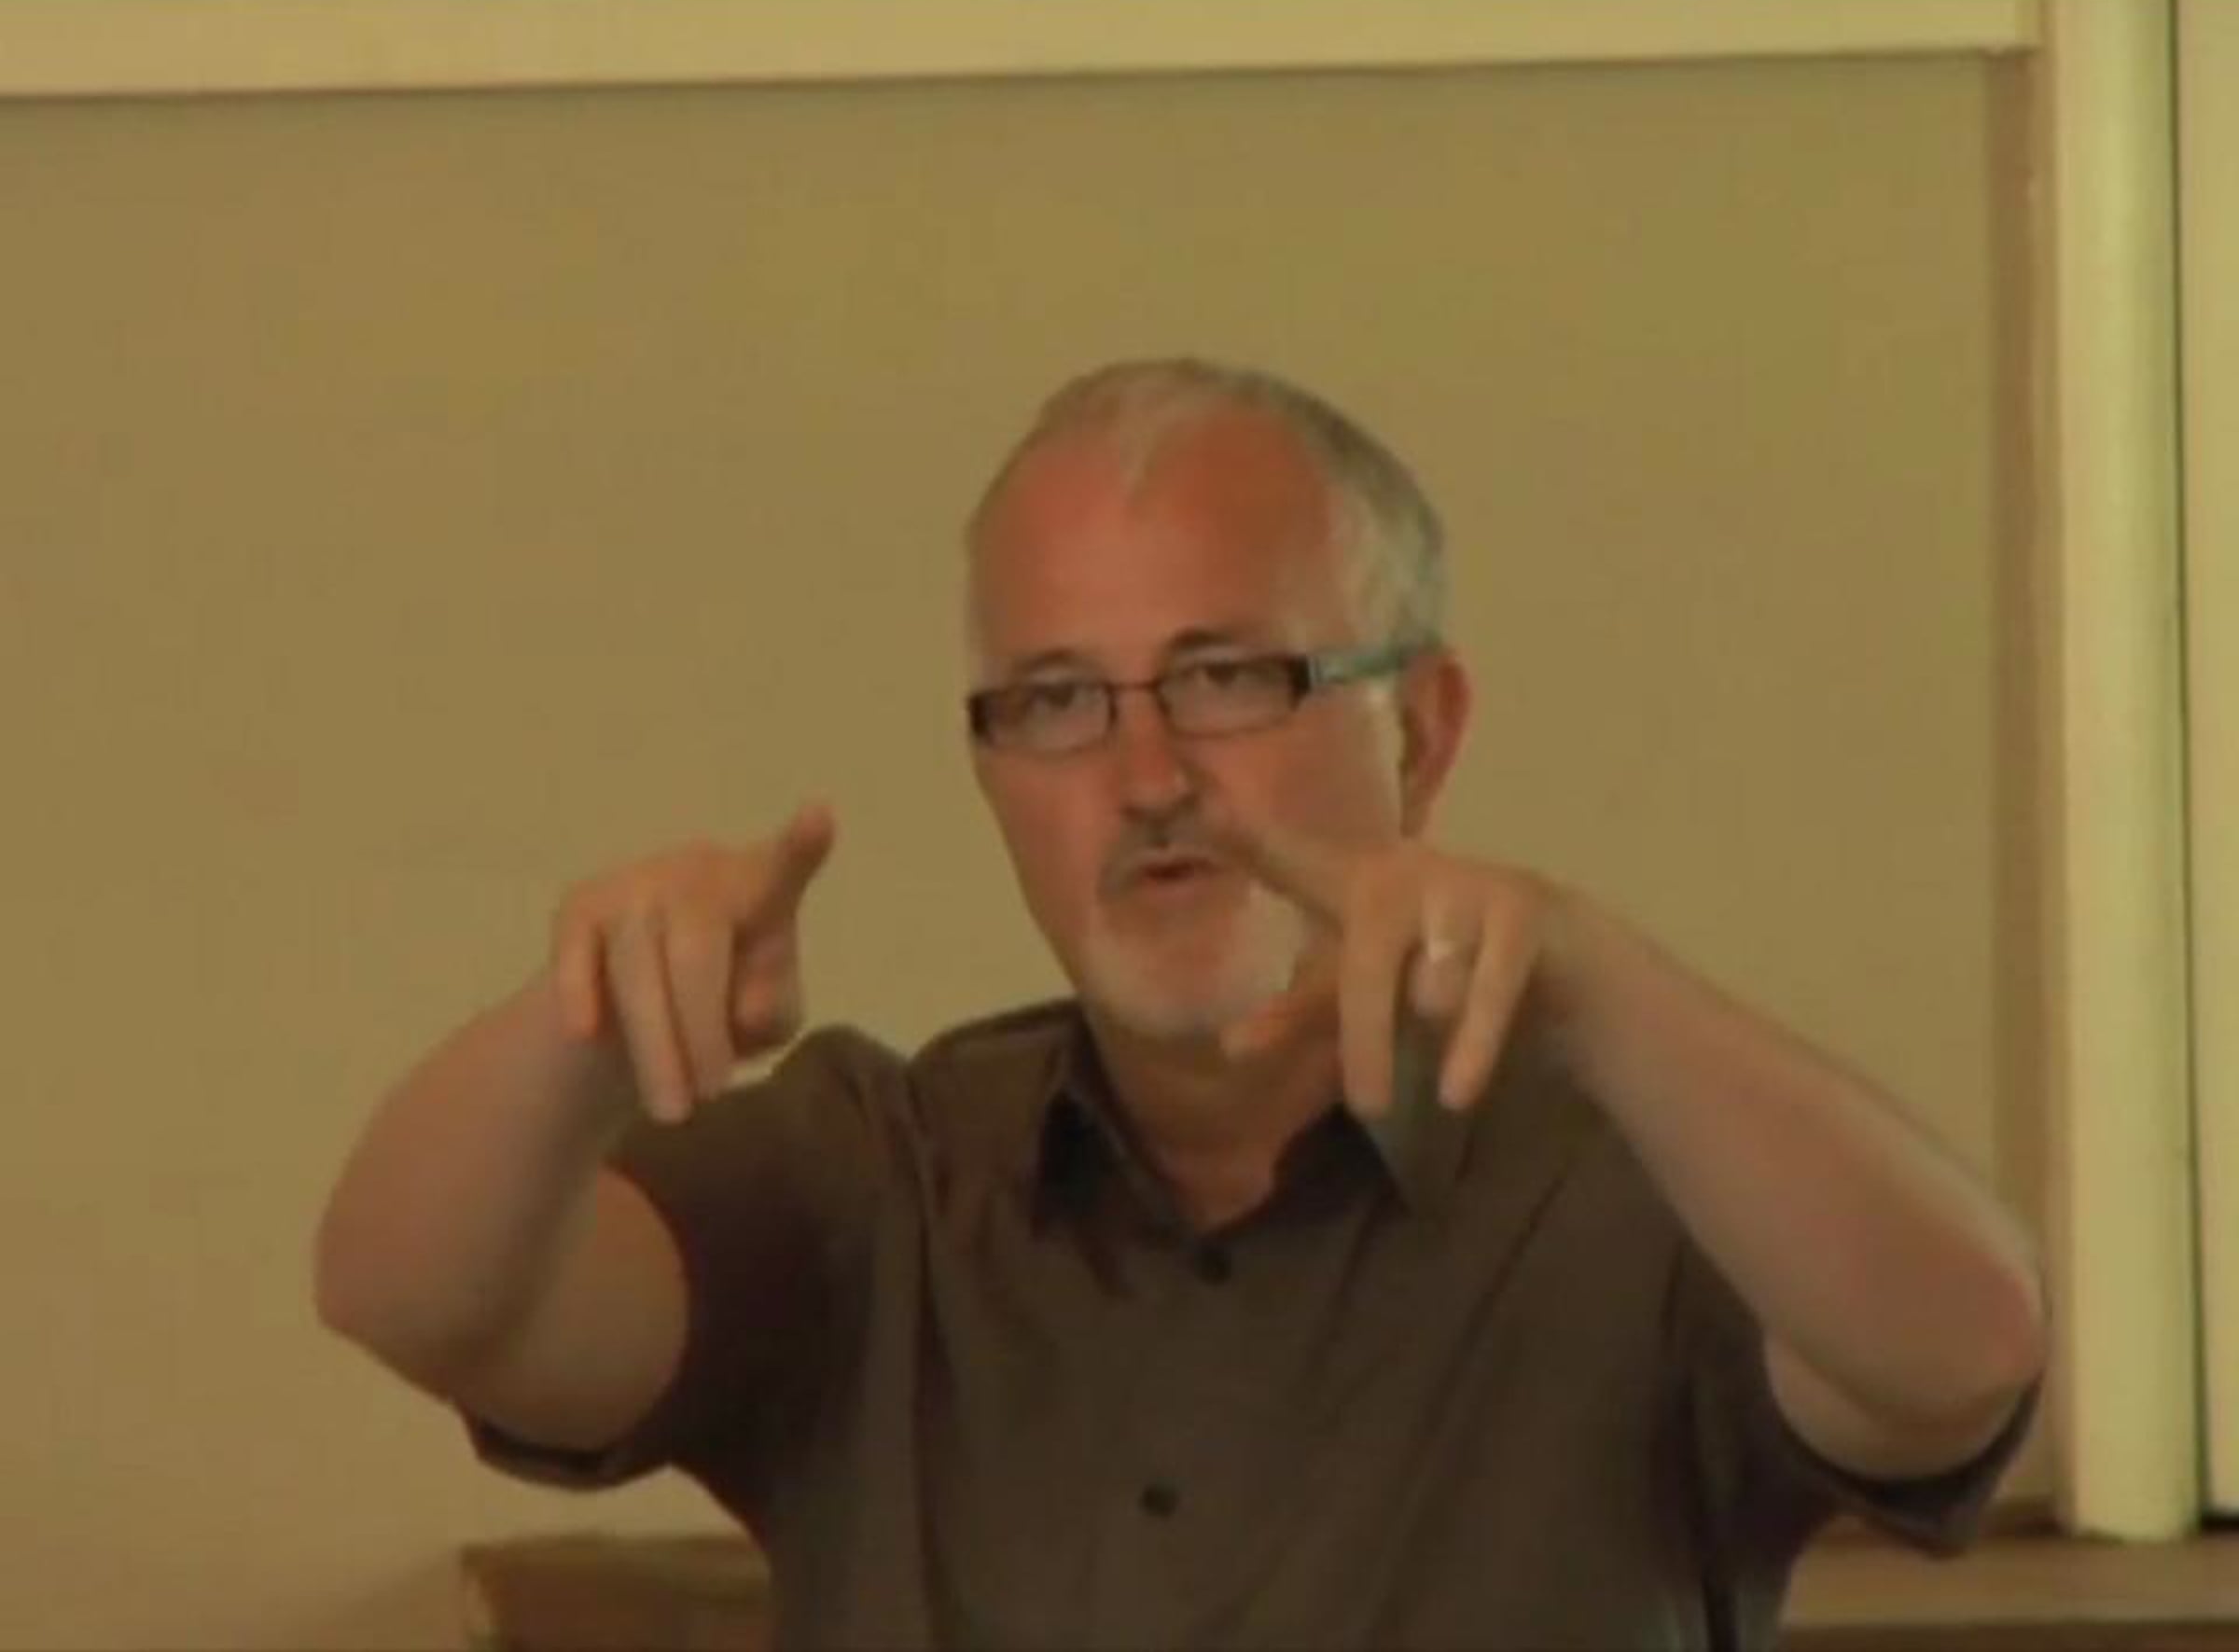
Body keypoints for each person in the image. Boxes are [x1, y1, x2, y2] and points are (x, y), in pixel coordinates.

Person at [315, 357, 2046, 1650]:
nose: (1146, 777)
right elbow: (418, 1299)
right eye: (1057, 702)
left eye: (1225, 677)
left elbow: (1961, 1354)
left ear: (1422, 730)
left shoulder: (1640, 1180)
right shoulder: (881, 1181)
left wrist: (1590, 980)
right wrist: (587, 1028)